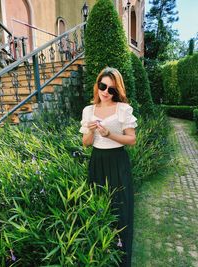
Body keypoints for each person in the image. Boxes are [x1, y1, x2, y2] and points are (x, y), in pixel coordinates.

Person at [79, 67, 138, 267]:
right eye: (103, 86)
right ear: (97, 85)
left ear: (117, 91)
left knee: (120, 208)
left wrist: (109, 135)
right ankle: (100, 255)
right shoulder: (88, 110)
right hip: (97, 162)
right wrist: (91, 131)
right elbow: (86, 143)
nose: (106, 92)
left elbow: (131, 139)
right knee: (98, 206)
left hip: (117, 162)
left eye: (111, 89)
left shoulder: (123, 109)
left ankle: (121, 259)